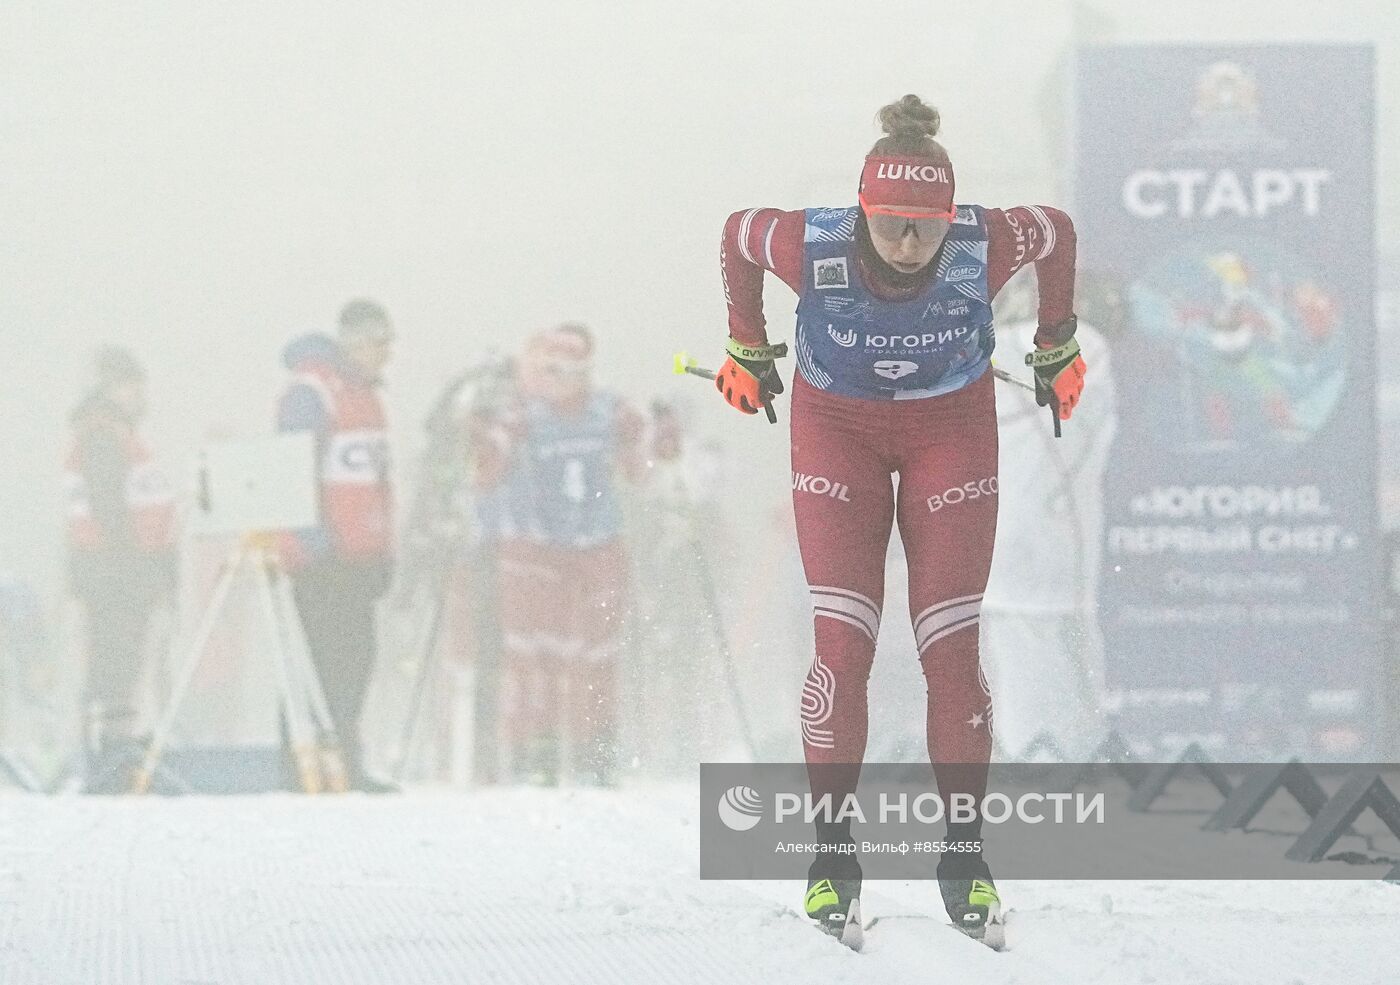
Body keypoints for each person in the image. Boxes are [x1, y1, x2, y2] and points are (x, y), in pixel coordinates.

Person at [715, 94, 1086, 945]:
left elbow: (1058, 229)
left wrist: (1056, 343)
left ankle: (964, 860)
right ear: (863, 209)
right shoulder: (809, 241)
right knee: (843, 641)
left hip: (947, 431)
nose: (910, 244)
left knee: (949, 644)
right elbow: (737, 232)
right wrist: (745, 343)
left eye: (926, 226)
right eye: (891, 225)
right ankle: (831, 860)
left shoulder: (984, 240)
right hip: (836, 429)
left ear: (951, 216)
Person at [469, 323, 664, 785]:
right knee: (534, 652)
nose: (564, 381)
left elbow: (641, 470)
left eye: (576, 370)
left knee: (597, 652)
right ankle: (533, 748)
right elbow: (483, 473)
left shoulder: (609, 410)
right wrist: (479, 436)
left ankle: (594, 750)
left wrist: (653, 443)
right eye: (553, 370)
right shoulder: (520, 415)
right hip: (534, 546)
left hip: (596, 541)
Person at [276, 299, 397, 793]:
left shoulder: (368, 395)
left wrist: (385, 549)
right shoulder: (314, 391)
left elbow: (377, 481)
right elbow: (291, 467)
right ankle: (301, 764)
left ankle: (344, 760)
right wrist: (311, 539)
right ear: (354, 341)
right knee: (320, 661)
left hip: (360, 556)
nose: (386, 355)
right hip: (324, 557)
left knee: (358, 658)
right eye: (379, 343)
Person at [64, 346, 176, 793]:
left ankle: (117, 746)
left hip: (115, 569)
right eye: (133, 385)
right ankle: (111, 754)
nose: (140, 395)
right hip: (114, 573)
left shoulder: (113, 432)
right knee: (114, 662)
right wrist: (135, 567)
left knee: (123, 663)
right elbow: (111, 509)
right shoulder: (102, 434)